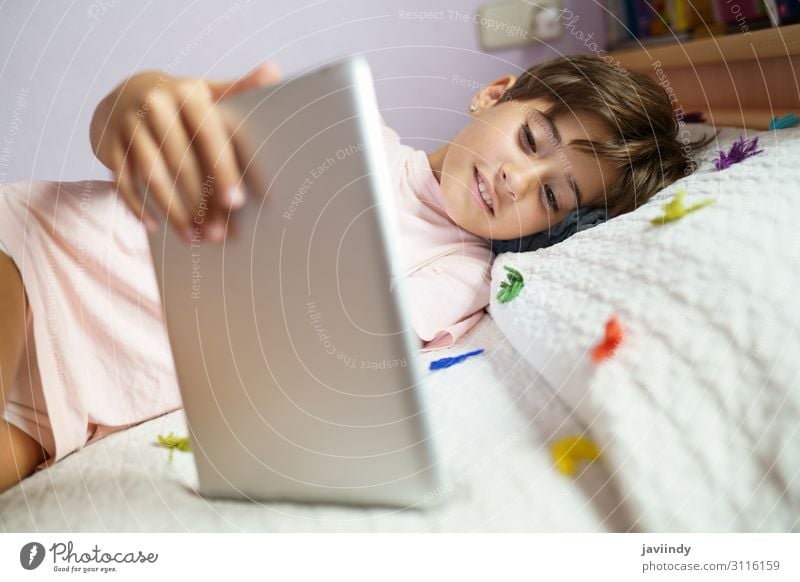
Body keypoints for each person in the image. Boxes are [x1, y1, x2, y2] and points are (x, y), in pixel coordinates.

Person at [0, 55, 704, 494]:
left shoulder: (461, 281)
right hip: (40, 259)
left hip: (75, 410)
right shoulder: (350, 125)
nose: (519, 180)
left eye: (553, 195)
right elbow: (147, 123)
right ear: (493, 95)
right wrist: (137, 97)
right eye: (530, 141)